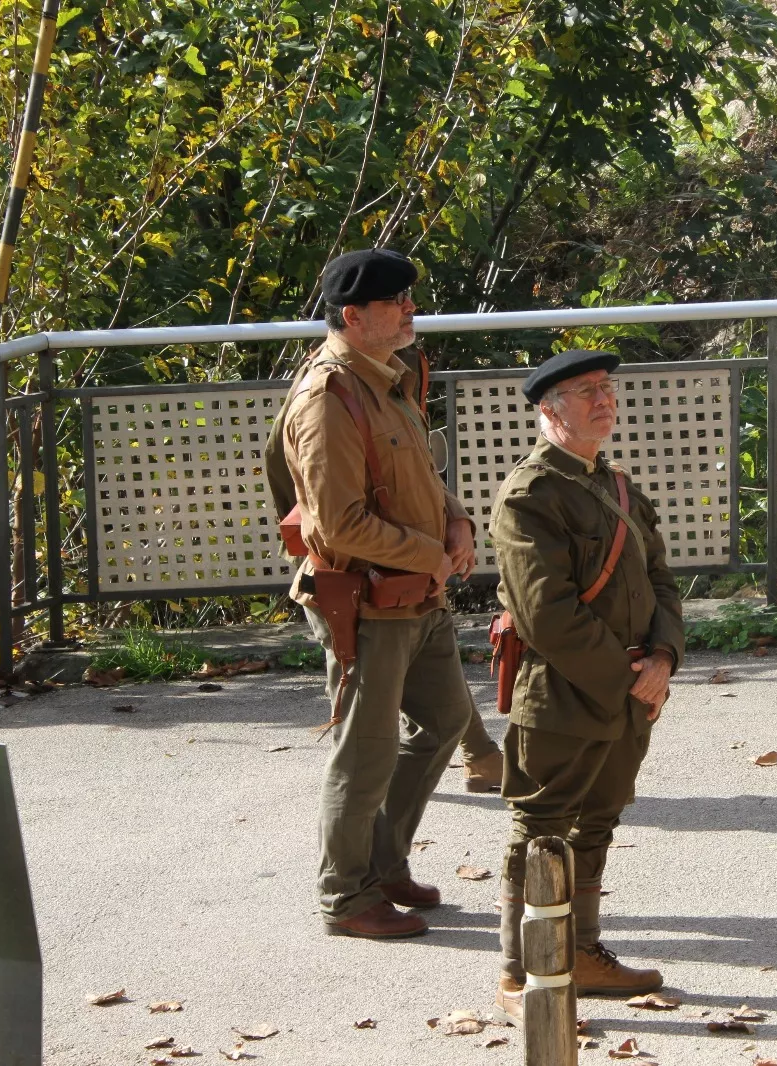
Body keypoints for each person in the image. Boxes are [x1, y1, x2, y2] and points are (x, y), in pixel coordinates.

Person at [280, 248, 501, 938]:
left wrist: (457, 518)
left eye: (409, 298)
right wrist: (432, 553)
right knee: (364, 751)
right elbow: (338, 523)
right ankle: (346, 899)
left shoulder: (386, 377)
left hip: (418, 595)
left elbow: (419, 475)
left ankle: (382, 862)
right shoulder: (328, 399)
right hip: (369, 602)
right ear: (353, 316)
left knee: (443, 724)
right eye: (396, 302)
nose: (411, 309)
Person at [487, 350, 685, 1023]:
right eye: (583, 391)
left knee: (598, 821)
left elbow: (660, 580)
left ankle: (584, 953)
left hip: (631, 689)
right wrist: (629, 680)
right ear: (548, 410)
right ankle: (523, 974)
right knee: (541, 826)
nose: (603, 400)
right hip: (565, 694)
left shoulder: (621, 489)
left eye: (606, 388)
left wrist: (663, 657)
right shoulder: (530, 496)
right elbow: (547, 615)